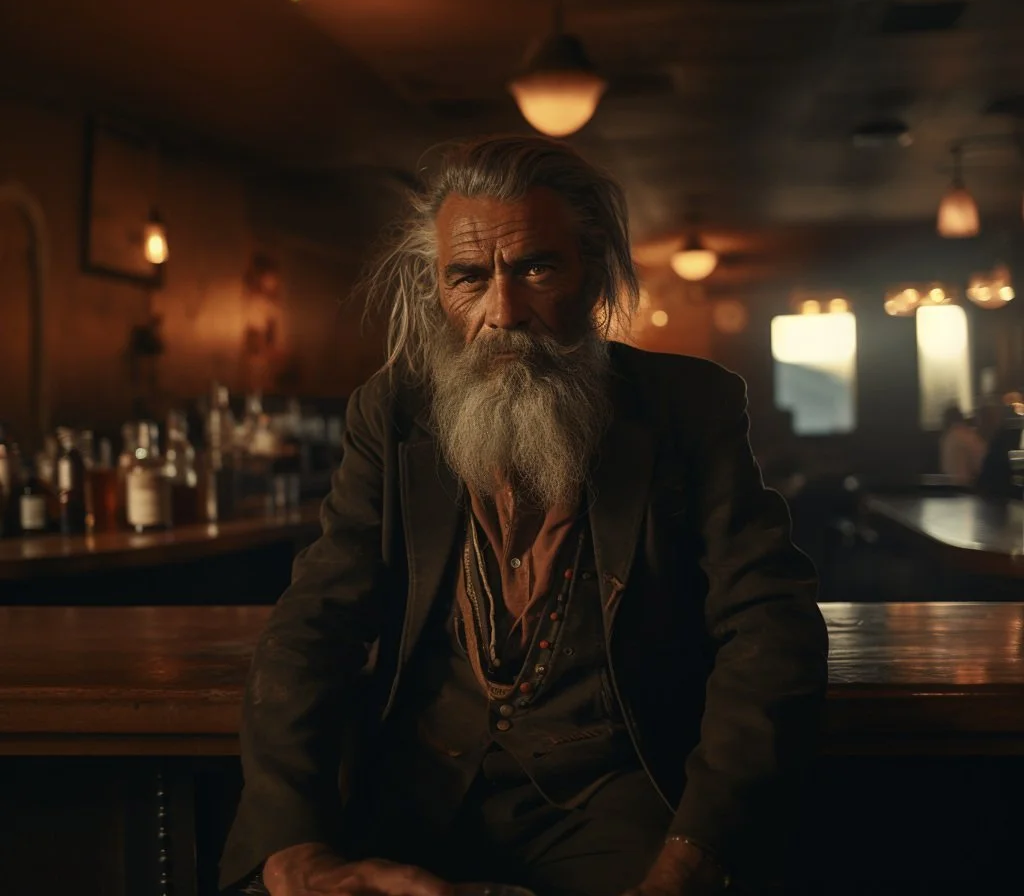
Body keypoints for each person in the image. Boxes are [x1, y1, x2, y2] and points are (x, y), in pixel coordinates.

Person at [221, 137, 829, 896]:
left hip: (615, 796)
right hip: (421, 793)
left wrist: (695, 853)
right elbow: (315, 623)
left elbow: (771, 626)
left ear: (594, 273)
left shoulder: (687, 408)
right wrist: (291, 847)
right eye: (469, 278)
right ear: (439, 292)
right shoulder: (392, 414)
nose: (503, 311)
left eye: (536, 268)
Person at [938, 405, 985, 486]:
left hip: (948, 488)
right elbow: (981, 464)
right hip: (969, 487)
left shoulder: (946, 438)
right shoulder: (970, 437)